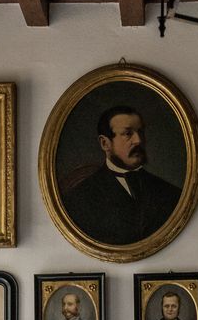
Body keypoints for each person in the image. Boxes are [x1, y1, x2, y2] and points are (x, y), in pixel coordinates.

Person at [62, 104, 181, 247]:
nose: (138, 140)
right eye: (128, 133)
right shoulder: (79, 199)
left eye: (140, 132)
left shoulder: (171, 194)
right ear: (105, 143)